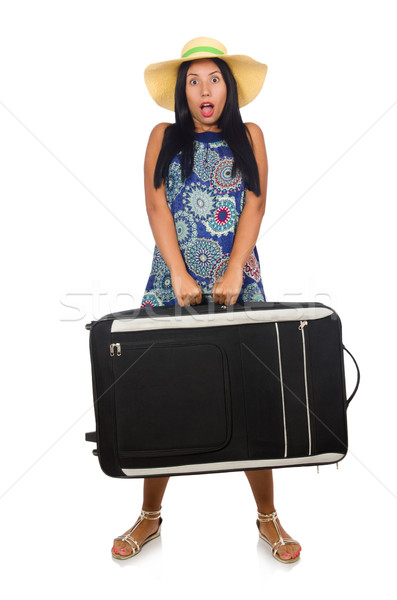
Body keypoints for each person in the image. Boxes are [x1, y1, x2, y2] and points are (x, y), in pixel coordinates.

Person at [111, 37, 302, 564]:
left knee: (249, 395)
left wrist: (236, 268)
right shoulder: (162, 136)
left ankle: (269, 519)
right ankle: (149, 518)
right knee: (163, 396)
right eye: (192, 81)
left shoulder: (251, 136)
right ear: (182, 92)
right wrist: (177, 271)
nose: (203, 89)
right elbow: (156, 206)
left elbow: (256, 207)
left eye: (213, 79)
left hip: (240, 279)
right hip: (170, 280)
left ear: (229, 87)